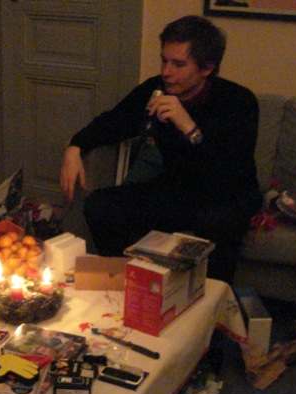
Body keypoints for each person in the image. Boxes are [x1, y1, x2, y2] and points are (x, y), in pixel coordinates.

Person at [60, 15, 262, 283]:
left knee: (216, 224)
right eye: (164, 60)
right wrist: (75, 146)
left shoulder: (238, 102)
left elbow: (229, 172)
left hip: (227, 194)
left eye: (178, 64)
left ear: (206, 68)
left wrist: (188, 126)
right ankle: (129, 281)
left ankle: (214, 300)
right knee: (100, 206)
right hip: (177, 188)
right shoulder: (156, 90)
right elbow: (113, 122)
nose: (167, 71)